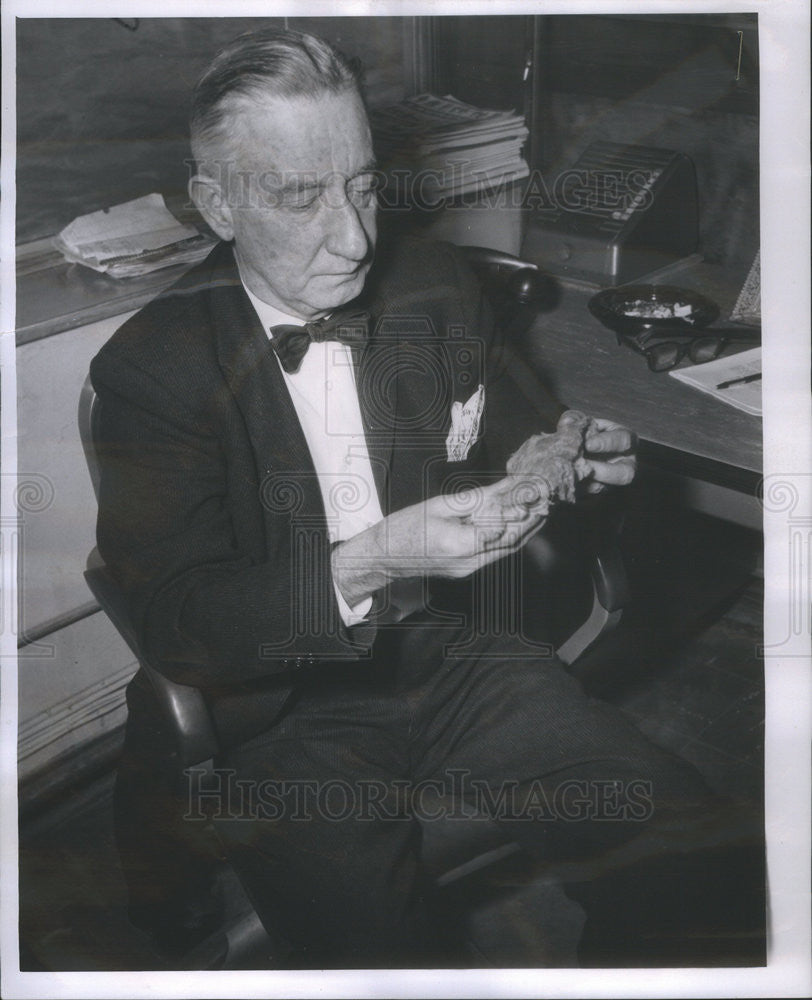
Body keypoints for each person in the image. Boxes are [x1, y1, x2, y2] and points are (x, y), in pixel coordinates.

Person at [91, 27, 761, 968]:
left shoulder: (434, 284)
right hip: (278, 707)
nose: (356, 237)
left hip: (448, 652)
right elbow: (177, 621)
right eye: (299, 197)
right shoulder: (151, 372)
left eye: (363, 185)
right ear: (219, 206)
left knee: (701, 866)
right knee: (380, 961)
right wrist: (372, 559)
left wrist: (579, 470)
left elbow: (525, 447)